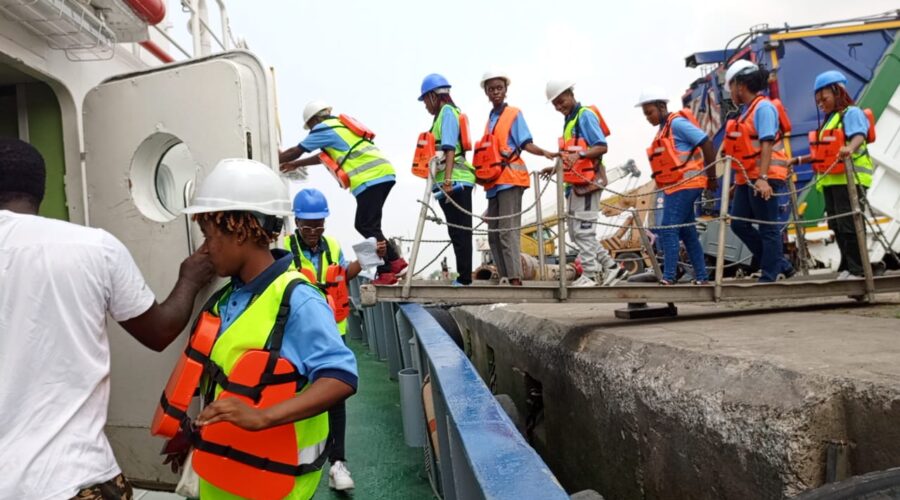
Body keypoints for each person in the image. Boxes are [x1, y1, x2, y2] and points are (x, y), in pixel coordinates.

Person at [0, 138, 214, 499]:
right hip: (75, 478)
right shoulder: (92, 248)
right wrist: (189, 280)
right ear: (42, 189)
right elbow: (160, 331)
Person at [175, 159, 358, 499]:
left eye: (209, 236)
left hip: (272, 486)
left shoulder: (297, 299)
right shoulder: (225, 299)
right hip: (223, 477)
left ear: (240, 230)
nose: (204, 250)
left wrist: (263, 417)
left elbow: (341, 377)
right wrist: (191, 435)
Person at [284, 188, 385, 490]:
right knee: (295, 396)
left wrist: (369, 257)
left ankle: (337, 464)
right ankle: (291, 461)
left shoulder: (332, 244)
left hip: (332, 333)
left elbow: (342, 276)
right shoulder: (285, 250)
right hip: (297, 336)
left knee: (335, 396)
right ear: (297, 222)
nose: (314, 232)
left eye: (319, 225)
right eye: (307, 226)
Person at [279, 101, 407, 285]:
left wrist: (270, 157)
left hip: (369, 176)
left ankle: (390, 267)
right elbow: (322, 157)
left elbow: (295, 151)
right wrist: (296, 165)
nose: (311, 130)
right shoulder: (339, 126)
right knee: (369, 225)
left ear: (314, 120)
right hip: (382, 172)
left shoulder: (323, 128)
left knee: (366, 225)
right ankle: (393, 265)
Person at [789, 70, 874, 280]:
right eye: (818, 101)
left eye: (824, 99)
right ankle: (847, 266)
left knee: (849, 225)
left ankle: (859, 270)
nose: (821, 104)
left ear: (837, 92)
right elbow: (823, 152)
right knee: (836, 226)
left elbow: (858, 135)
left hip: (850, 180)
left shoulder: (851, 113)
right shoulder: (830, 120)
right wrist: (799, 160)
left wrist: (849, 149)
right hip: (831, 181)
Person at [543, 79, 628, 287]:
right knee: (576, 233)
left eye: (561, 101)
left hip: (588, 181)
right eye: (555, 105)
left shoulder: (585, 116)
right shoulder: (570, 121)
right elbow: (569, 154)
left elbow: (601, 146)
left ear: (571, 94)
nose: (559, 107)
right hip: (574, 185)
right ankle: (612, 268)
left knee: (584, 231)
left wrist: (580, 155)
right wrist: (555, 168)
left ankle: (591, 274)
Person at [477, 69, 556, 286]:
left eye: (499, 88)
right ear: (486, 92)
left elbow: (525, 143)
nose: (495, 92)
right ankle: (504, 276)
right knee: (492, 235)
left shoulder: (513, 114)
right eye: (491, 89)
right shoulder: (490, 119)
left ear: (505, 90)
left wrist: (544, 152)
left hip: (510, 179)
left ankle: (514, 279)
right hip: (493, 184)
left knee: (507, 231)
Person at [636, 86, 718, 285]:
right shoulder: (663, 130)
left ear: (661, 107)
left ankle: (669, 277)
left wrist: (712, 177)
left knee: (668, 227)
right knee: (687, 232)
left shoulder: (677, 124)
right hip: (675, 186)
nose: (648, 117)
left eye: (650, 112)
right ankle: (702, 277)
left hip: (687, 183)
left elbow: (705, 142)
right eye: (645, 114)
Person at [722, 60, 795, 283]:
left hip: (765, 177)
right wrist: (739, 182)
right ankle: (779, 264)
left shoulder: (764, 108)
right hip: (747, 179)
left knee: (768, 227)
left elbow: (766, 143)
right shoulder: (747, 111)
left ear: (740, 85)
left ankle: (770, 274)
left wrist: (762, 179)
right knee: (738, 223)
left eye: (731, 87)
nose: (731, 92)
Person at [419, 73, 475, 286]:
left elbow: (450, 148)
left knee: (461, 230)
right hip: (446, 182)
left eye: (425, 99)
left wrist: (449, 180)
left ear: (434, 96)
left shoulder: (448, 113)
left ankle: (465, 279)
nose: (425, 105)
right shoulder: (439, 117)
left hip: (457, 181)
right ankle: (463, 277)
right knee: (455, 230)